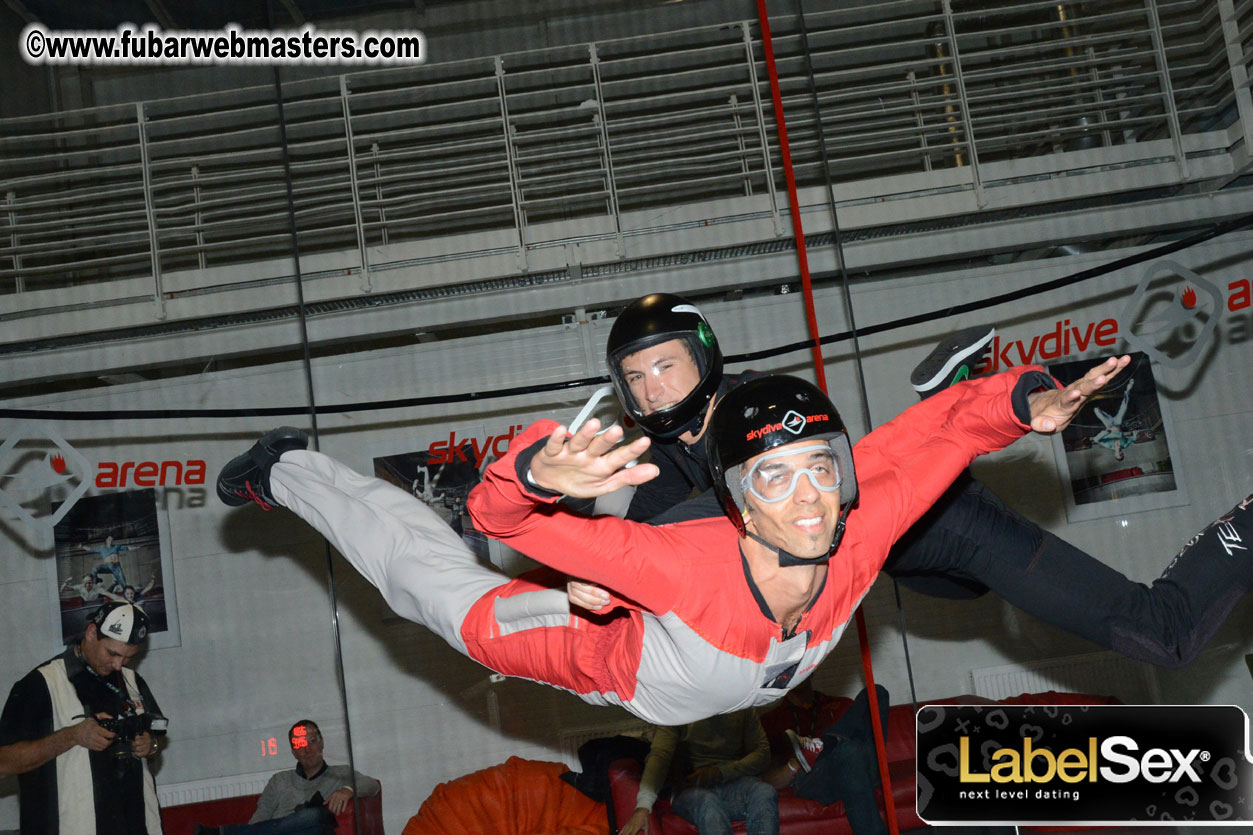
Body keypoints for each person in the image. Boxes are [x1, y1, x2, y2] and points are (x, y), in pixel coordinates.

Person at [217, 358, 1134, 724]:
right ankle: (286, 470)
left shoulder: (853, 527)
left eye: (821, 472)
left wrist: (1018, 403)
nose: (811, 500)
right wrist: (534, 473)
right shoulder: (675, 564)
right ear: (738, 501)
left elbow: (929, 440)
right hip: (618, 656)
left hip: (742, 668)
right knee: (430, 591)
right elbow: (500, 523)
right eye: (776, 479)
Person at [570, 294, 1249, 670]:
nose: (651, 388)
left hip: (943, 520)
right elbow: (649, 546)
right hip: (898, 557)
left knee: (1160, 634)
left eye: (664, 366)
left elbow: (865, 468)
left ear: (702, 356)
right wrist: (589, 568)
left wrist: (1020, 401)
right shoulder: (655, 460)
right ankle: (943, 395)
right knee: (968, 590)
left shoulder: (757, 406)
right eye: (634, 377)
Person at [0, 602, 165, 835]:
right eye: (112, 653)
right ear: (91, 633)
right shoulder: (40, 685)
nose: (118, 665)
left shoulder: (131, 680)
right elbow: (3, 763)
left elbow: (157, 739)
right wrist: (72, 736)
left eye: (128, 657)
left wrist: (151, 745)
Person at [194, 719, 380, 835]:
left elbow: (373, 785)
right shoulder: (279, 780)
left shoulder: (339, 773)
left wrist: (348, 789)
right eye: (300, 745)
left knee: (317, 817)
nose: (307, 749)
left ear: (322, 742)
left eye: (312, 741)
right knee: (314, 818)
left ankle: (222, 834)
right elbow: (260, 818)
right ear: (293, 752)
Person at [621, 709, 776, 835]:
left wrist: (719, 772)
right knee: (707, 804)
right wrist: (643, 807)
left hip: (732, 782)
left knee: (764, 791)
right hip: (689, 788)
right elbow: (660, 756)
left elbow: (763, 754)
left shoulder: (741, 705)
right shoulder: (678, 709)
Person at [1092, 378, 1136, 460]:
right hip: (1118, 423)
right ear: (1123, 453)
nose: (1120, 453)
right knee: (1124, 408)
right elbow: (1133, 439)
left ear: (1115, 454)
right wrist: (1135, 434)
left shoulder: (1109, 445)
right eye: (1121, 454)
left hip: (1109, 425)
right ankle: (1128, 389)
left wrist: (1106, 432)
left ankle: (1095, 392)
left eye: (1118, 455)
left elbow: (1096, 439)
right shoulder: (1125, 445)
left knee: (1096, 410)